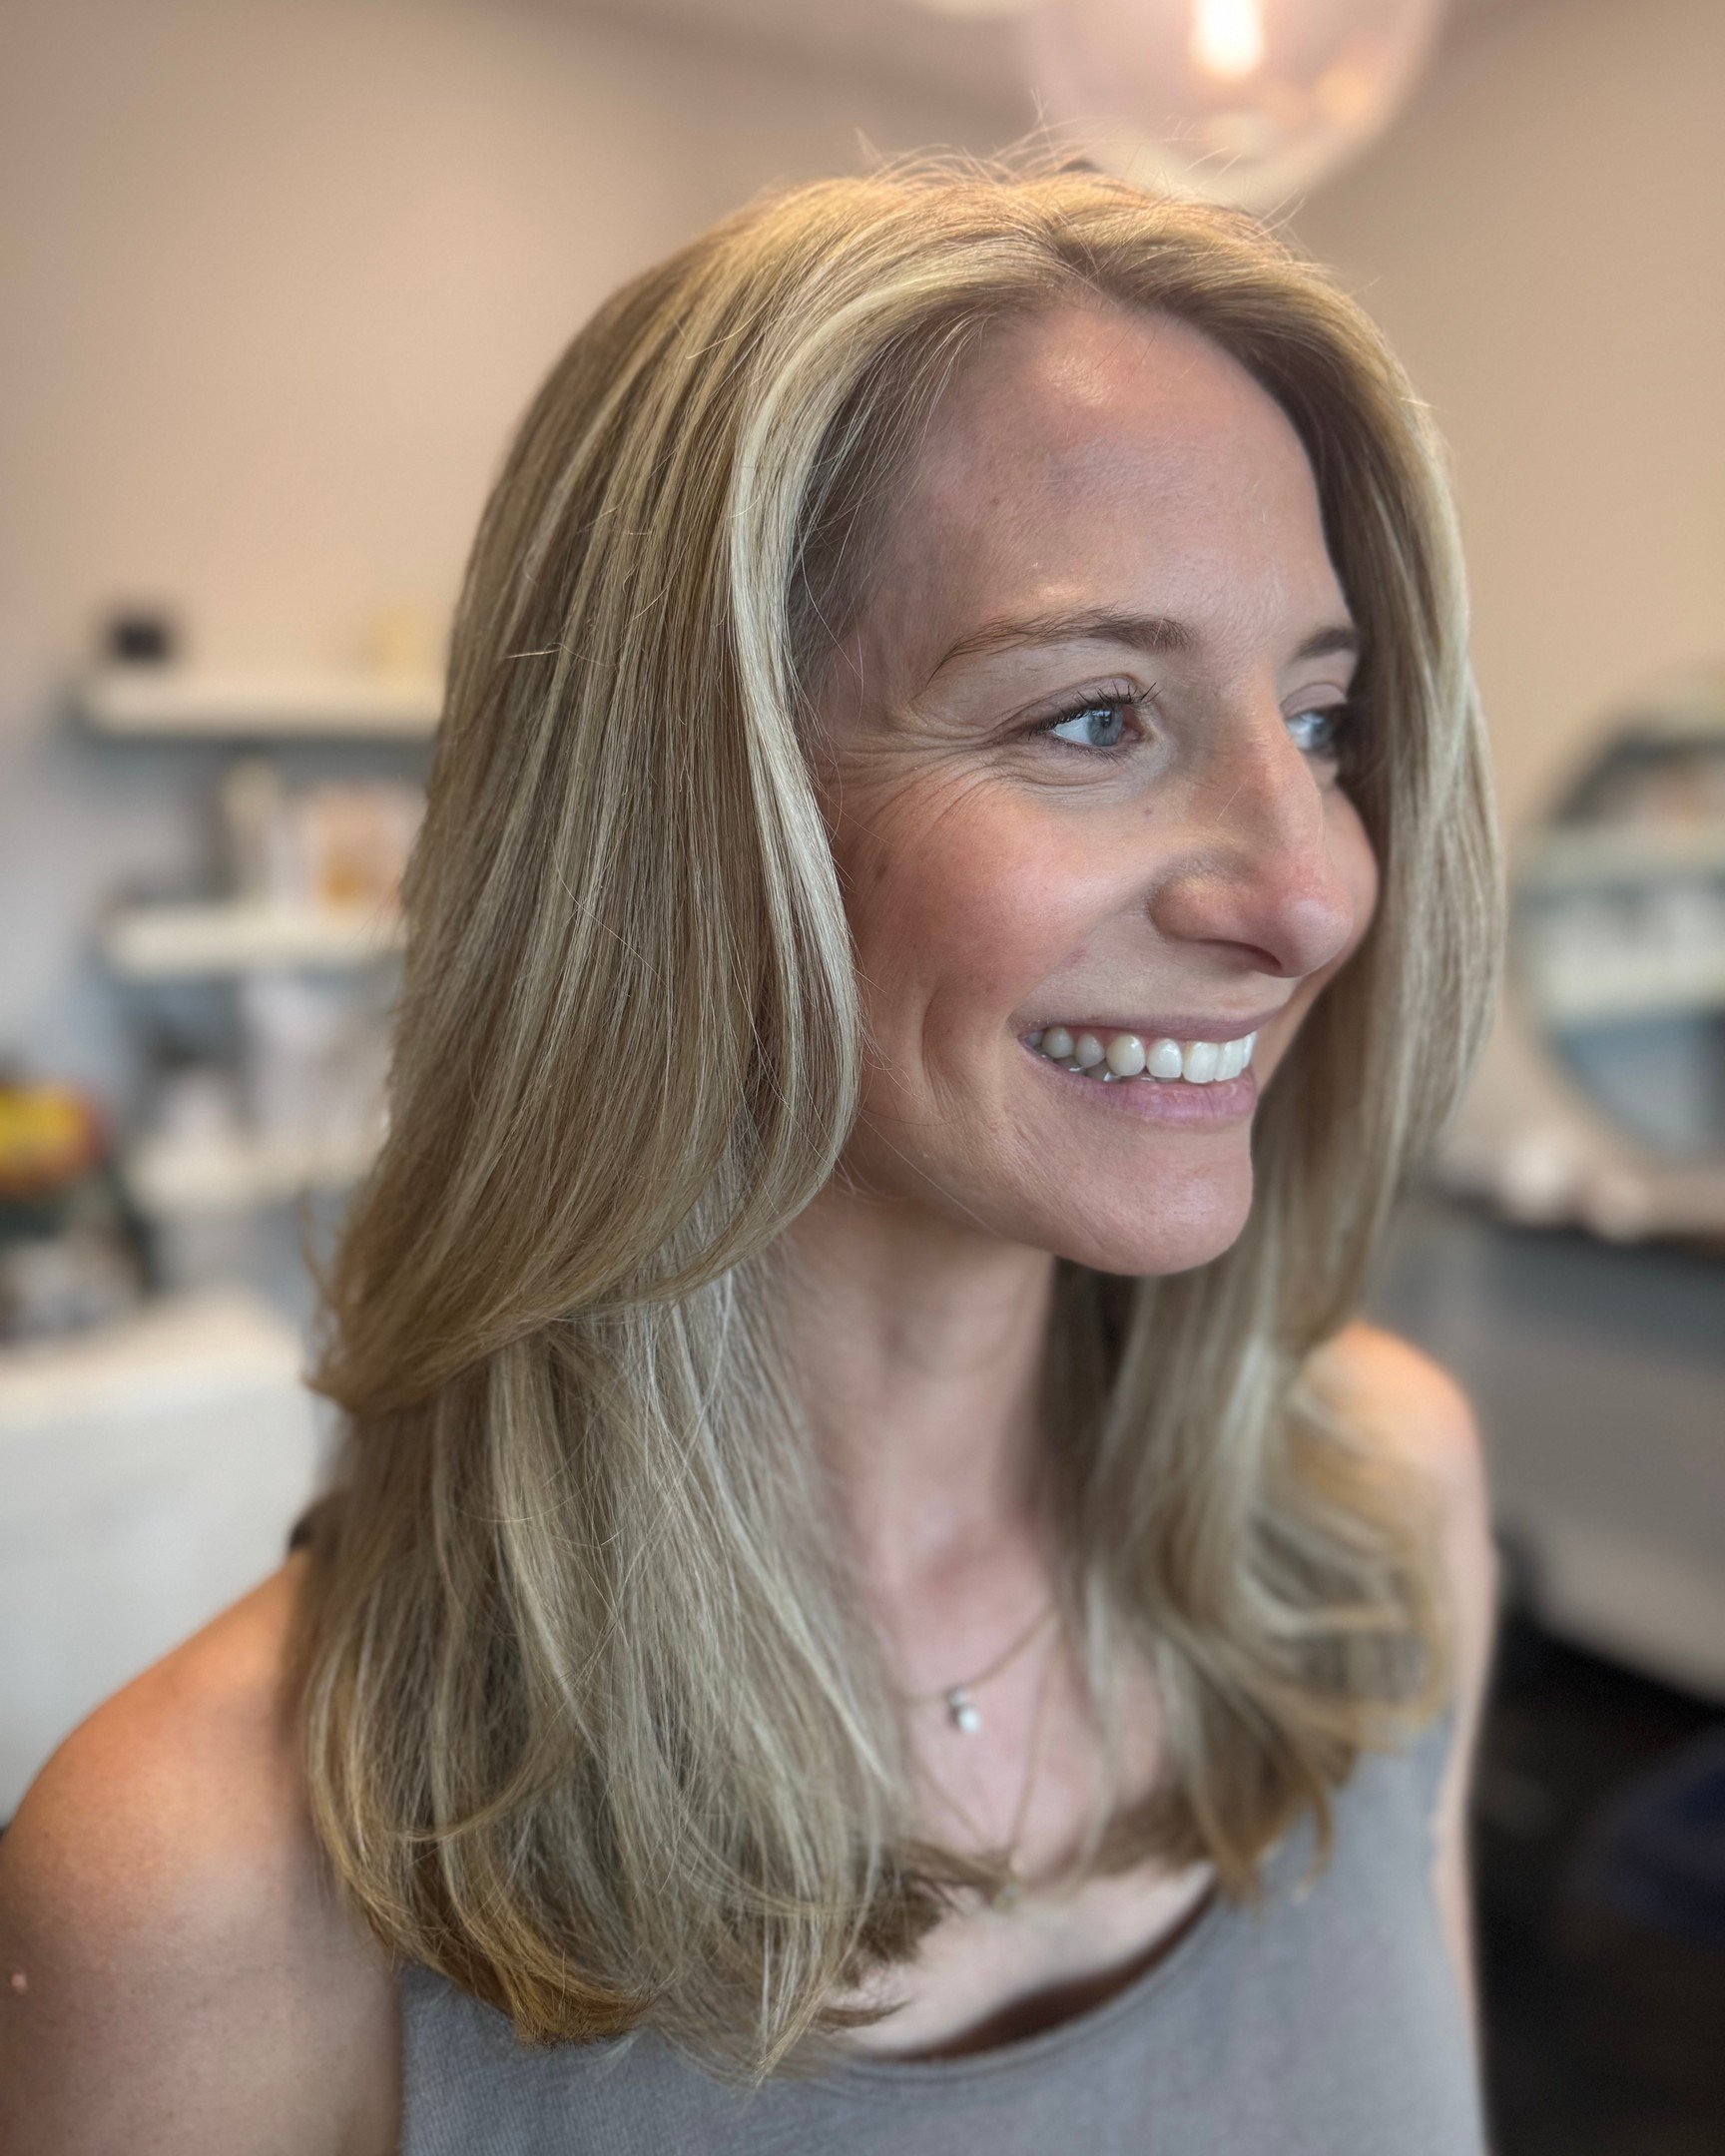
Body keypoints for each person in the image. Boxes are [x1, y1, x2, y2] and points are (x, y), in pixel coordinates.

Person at [0, 159, 1502, 2154]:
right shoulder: (204, 1886)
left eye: (1320, 723)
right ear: (675, 812)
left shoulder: (1378, 1525)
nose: (1316, 889)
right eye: (1090, 720)